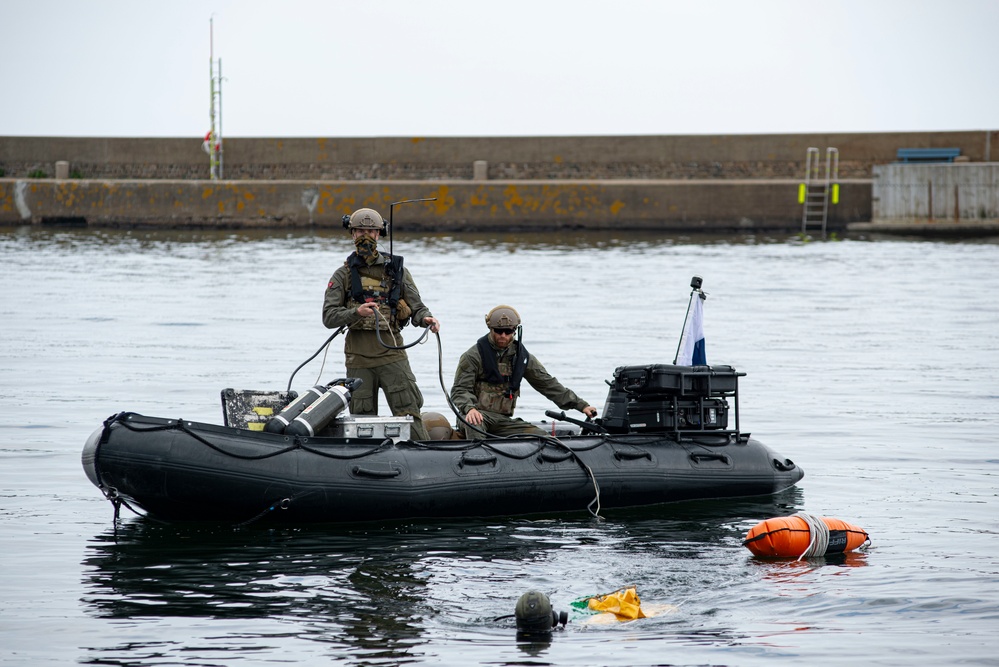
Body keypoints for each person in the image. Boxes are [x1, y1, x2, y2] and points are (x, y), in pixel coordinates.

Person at [322, 207, 440, 440]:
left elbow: (417, 306)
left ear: (380, 234)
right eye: (360, 231)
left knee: (408, 411)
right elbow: (329, 317)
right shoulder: (342, 275)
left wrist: (426, 318)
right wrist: (357, 312)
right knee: (362, 418)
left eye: (371, 231)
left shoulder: (396, 270)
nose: (366, 236)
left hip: (392, 355)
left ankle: (423, 454)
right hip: (358, 359)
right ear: (352, 233)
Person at [450, 305, 597, 439]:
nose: (503, 335)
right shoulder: (473, 356)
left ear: (515, 330)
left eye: (508, 331)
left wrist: (581, 405)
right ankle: (478, 460)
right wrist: (469, 409)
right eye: (498, 331)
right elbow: (460, 390)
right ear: (490, 329)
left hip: (503, 420)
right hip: (475, 416)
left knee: (544, 439)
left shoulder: (521, 357)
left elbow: (547, 384)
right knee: (475, 423)